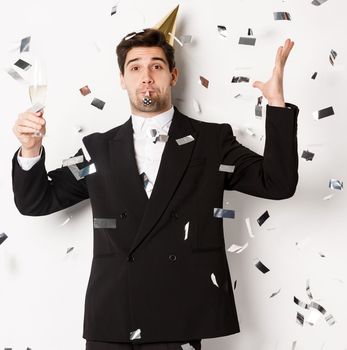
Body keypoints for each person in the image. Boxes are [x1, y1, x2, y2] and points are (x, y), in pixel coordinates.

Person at [11, 28, 298, 349]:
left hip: (178, 317)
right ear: (122, 79)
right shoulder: (97, 149)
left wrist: (276, 104)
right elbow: (36, 201)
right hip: (112, 319)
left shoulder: (211, 143)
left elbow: (277, 183)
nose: (146, 76)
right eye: (135, 67)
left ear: (173, 75)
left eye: (156, 66)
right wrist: (30, 149)